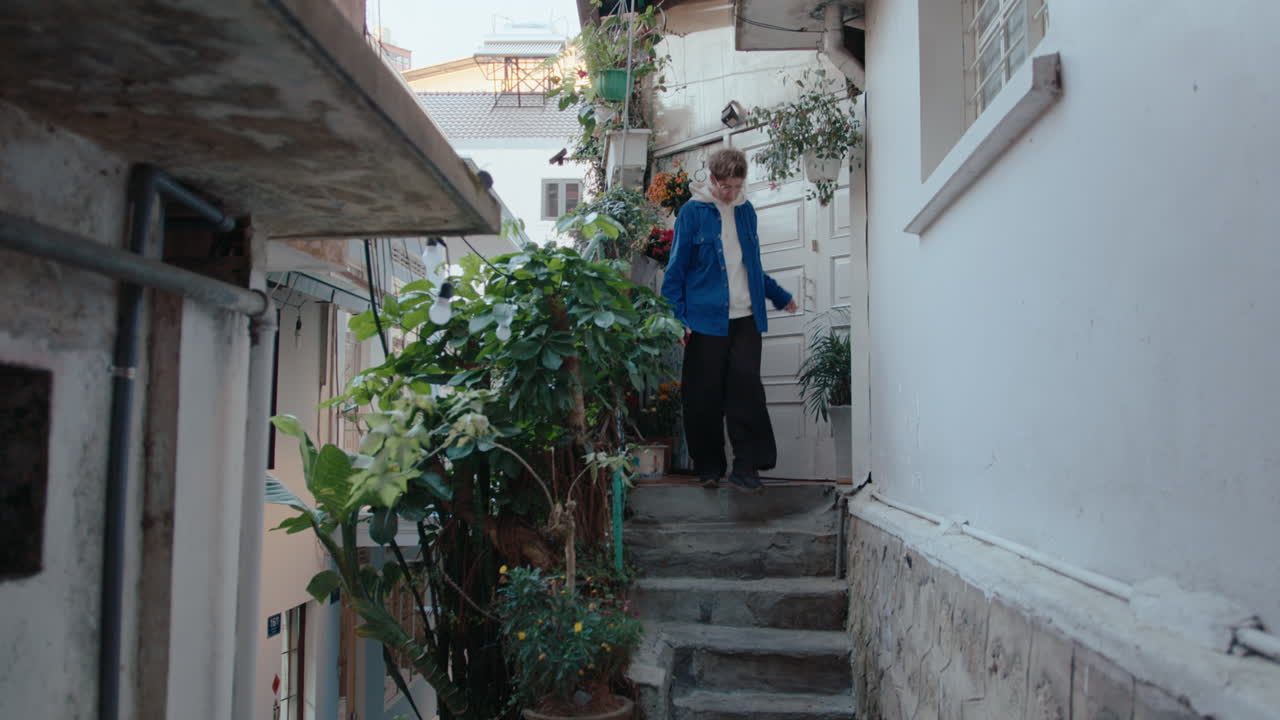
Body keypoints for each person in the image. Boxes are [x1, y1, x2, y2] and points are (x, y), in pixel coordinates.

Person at [660, 148, 798, 494]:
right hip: (705, 320)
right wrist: (677, 318)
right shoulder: (692, 213)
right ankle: (708, 466)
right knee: (703, 395)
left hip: (746, 318)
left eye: (737, 186)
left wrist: (780, 296)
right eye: (726, 187)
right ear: (712, 180)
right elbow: (675, 272)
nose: (731, 193)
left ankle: (747, 467)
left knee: (746, 392)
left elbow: (752, 266)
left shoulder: (746, 212)